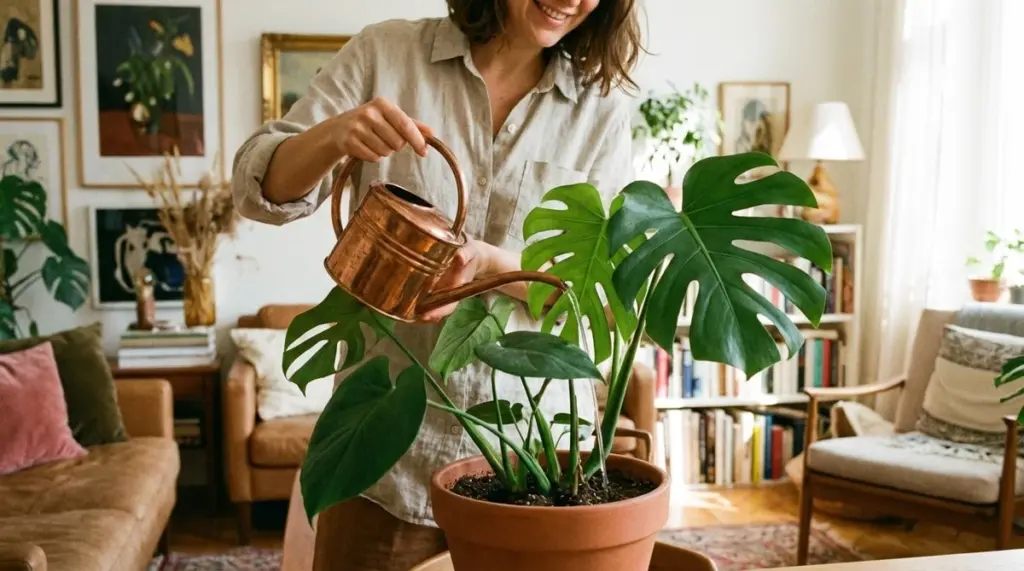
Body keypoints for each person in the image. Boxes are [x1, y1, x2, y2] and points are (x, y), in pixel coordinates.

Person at [232, 1, 643, 569]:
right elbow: (257, 191)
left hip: (533, 464)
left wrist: (490, 266)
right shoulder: (387, 54)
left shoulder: (601, 110)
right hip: (389, 466)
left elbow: (595, 294)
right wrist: (334, 136)